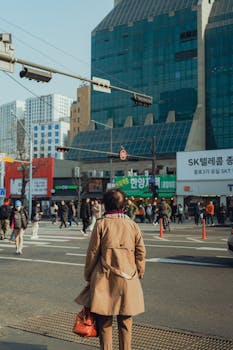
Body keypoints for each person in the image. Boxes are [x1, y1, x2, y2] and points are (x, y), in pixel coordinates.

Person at [78, 188, 146, 350]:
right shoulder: (132, 225)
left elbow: (92, 253)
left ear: (106, 205)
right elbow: (141, 252)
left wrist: (88, 275)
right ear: (124, 205)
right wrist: (139, 272)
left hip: (105, 280)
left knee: (105, 323)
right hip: (128, 278)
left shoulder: (102, 224)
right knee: (125, 322)